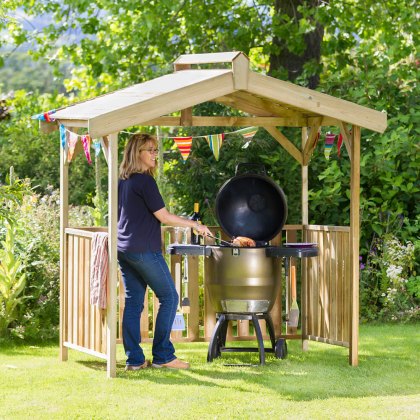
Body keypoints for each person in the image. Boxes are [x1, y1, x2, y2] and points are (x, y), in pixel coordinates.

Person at [117, 133, 211, 371]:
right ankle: (163, 356)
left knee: (133, 303)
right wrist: (195, 225)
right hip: (144, 250)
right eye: (150, 150)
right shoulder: (145, 181)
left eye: (156, 150)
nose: (155, 155)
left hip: (124, 250)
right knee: (170, 297)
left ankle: (135, 360)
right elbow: (164, 216)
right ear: (136, 153)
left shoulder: (123, 181)